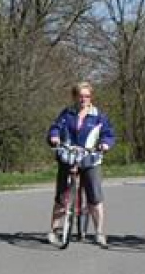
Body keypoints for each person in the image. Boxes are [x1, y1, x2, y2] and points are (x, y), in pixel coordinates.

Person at [46, 82, 115, 247]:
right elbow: (55, 128)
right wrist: (54, 137)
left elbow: (108, 134)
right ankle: (54, 230)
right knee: (61, 196)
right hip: (67, 157)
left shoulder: (98, 116)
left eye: (87, 96)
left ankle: (99, 232)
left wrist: (105, 144)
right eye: (80, 95)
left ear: (91, 97)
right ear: (75, 96)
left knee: (95, 197)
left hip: (90, 158)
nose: (83, 99)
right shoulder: (67, 113)